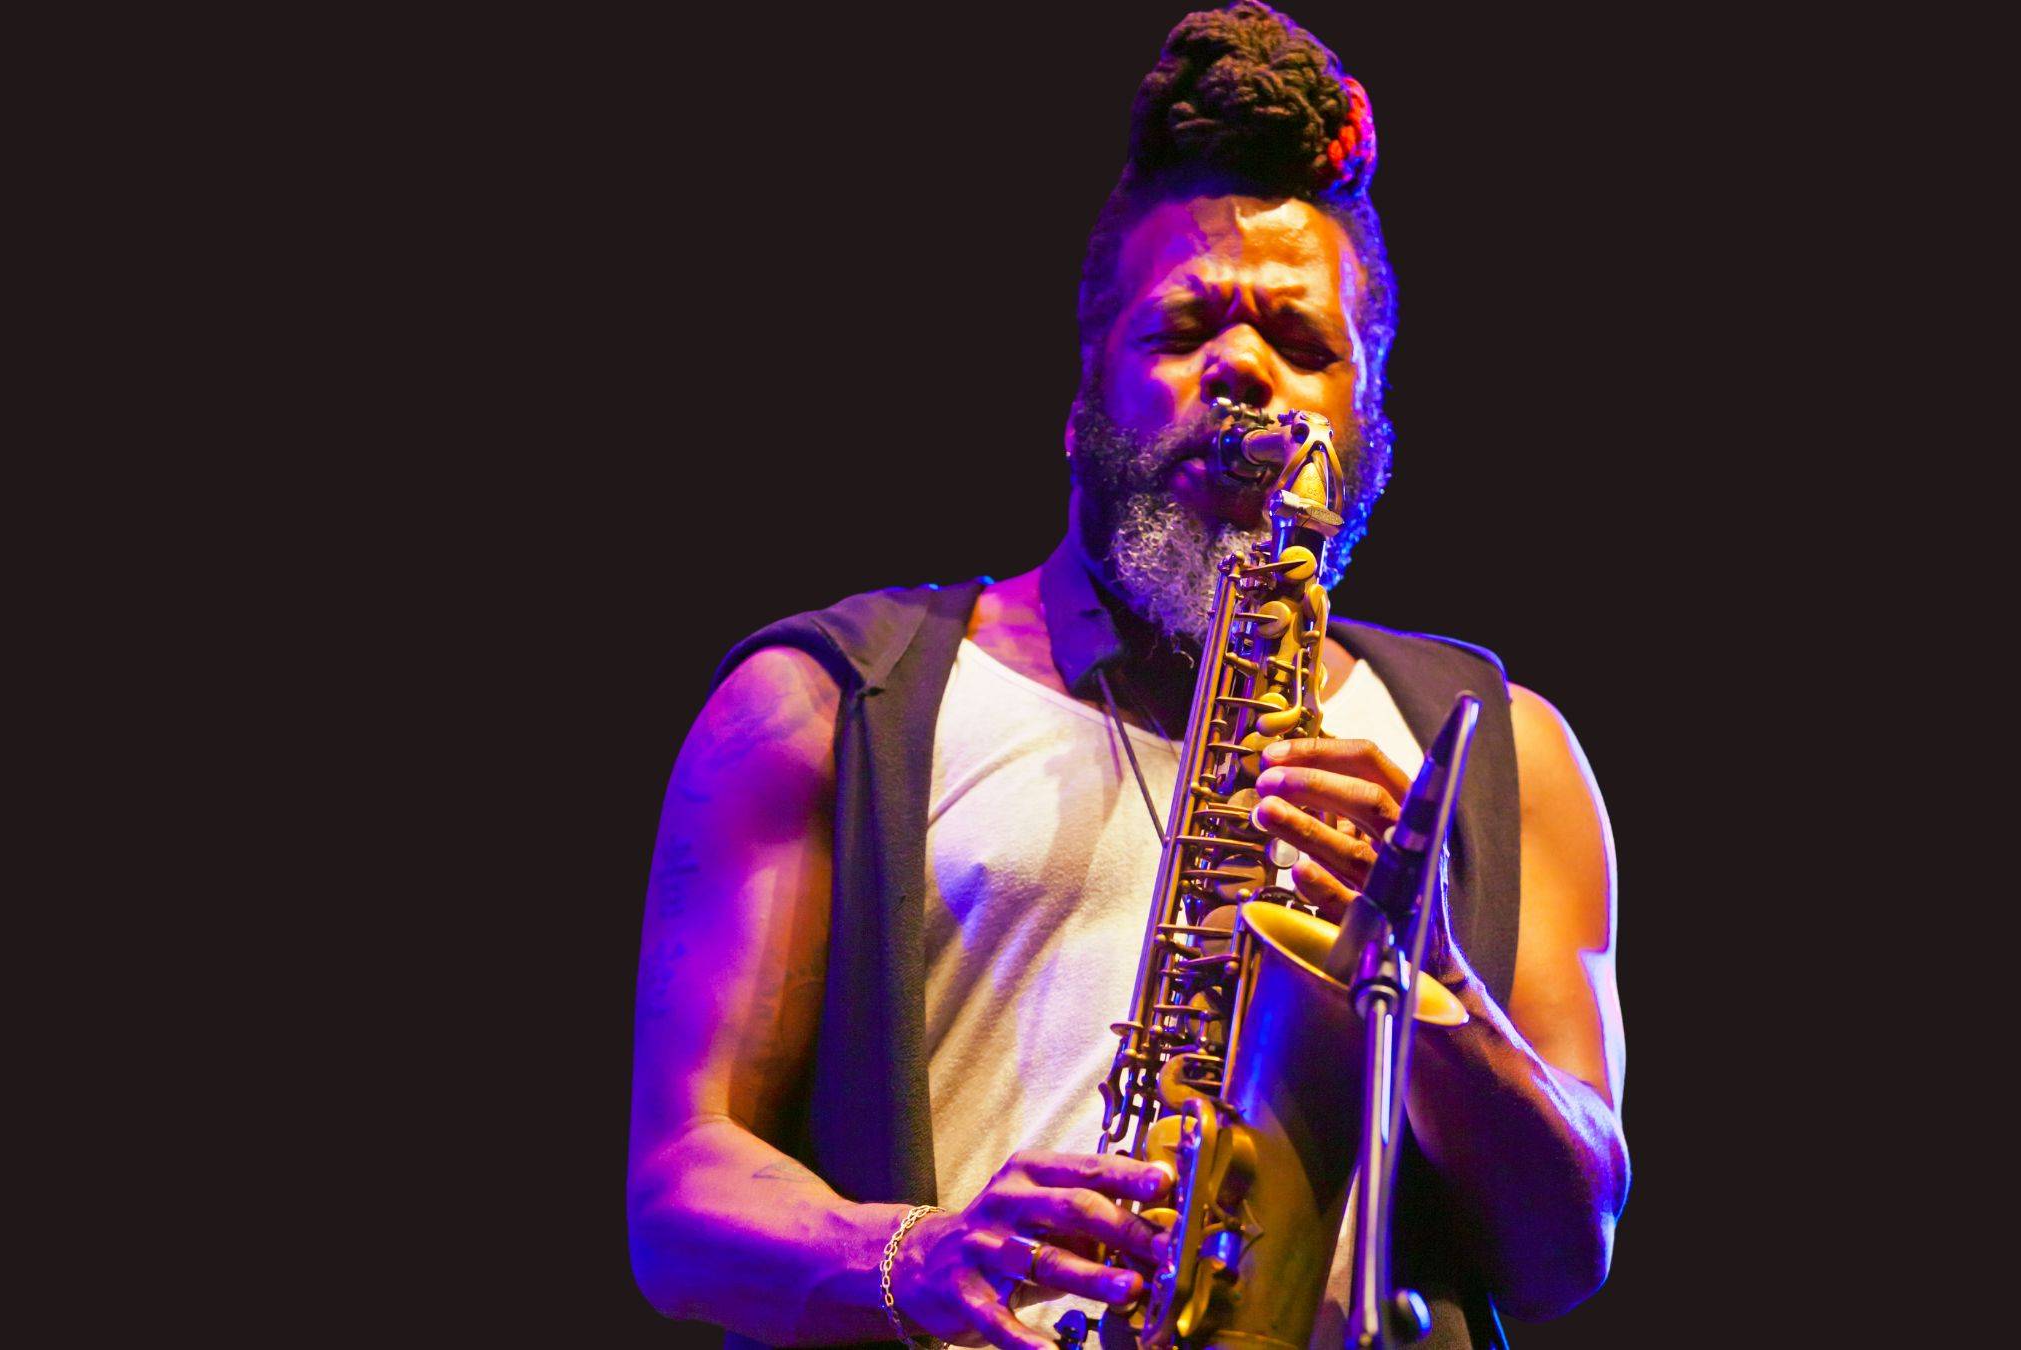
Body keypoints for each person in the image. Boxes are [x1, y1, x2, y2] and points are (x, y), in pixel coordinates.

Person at [626, 6, 1627, 1348]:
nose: (1244, 371)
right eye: (1184, 329)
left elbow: (1570, 1245)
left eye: (1303, 344)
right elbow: (679, 1192)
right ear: (1081, 398)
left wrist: (1429, 979)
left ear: (1368, 418)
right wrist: (911, 1252)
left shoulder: (1502, 749)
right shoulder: (820, 703)